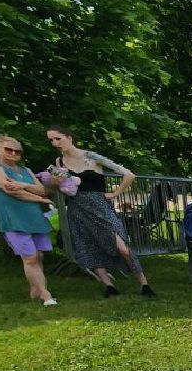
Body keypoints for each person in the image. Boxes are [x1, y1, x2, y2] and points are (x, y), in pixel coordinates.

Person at [44, 126, 156, 298]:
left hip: (101, 207)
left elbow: (129, 175)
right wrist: (55, 181)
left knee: (123, 247)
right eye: (51, 140)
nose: (55, 143)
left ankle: (144, 284)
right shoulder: (59, 162)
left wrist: (115, 193)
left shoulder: (92, 157)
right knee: (89, 247)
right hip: (77, 208)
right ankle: (109, 286)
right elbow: (59, 188)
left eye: (58, 138)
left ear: (69, 137)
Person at [0, 135, 57, 306]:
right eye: (9, 149)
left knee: (39, 256)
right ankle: (46, 295)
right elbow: (10, 191)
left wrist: (23, 185)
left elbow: (42, 190)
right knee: (30, 257)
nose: (13, 153)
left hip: (34, 217)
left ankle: (35, 291)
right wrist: (39, 200)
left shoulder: (25, 170)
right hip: (12, 218)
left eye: (17, 151)